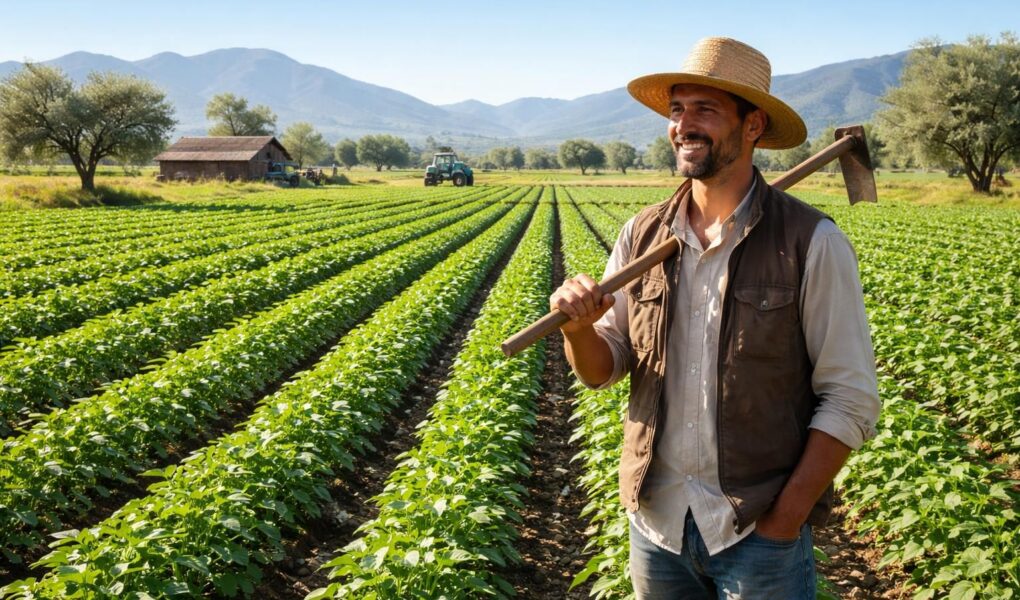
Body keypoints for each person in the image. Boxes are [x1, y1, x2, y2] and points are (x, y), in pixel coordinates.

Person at [551, 37, 880, 599]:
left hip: (756, 533)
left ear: (753, 126)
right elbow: (604, 368)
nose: (684, 125)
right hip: (657, 527)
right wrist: (578, 329)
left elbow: (851, 398)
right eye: (677, 110)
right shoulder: (641, 235)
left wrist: (785, 521)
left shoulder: (811, 243)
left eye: (705, 109)